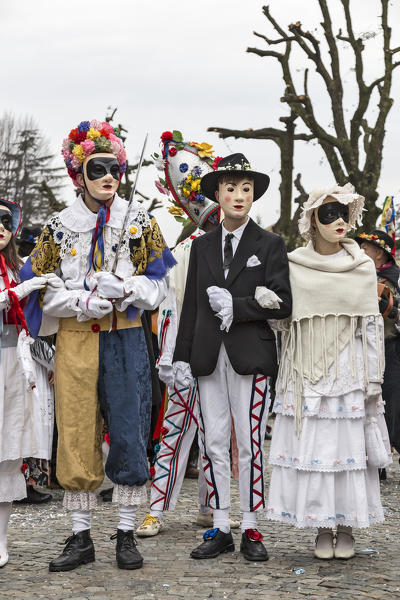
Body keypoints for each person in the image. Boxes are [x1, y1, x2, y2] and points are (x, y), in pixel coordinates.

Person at [20, 119, 175, 571]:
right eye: (97, 169)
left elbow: (159, 284)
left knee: (129, 429)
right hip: (76, 341)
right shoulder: (59, 227)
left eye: (115, 168)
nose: (108, 177)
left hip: (126, 337)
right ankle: (81, 536)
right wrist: (82, 300)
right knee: (76, 433)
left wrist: (127, 289)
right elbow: (40, 288)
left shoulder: (139, 221)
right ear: (79, 174)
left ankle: (126, 533)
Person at [173, 153, 292, 561]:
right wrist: (180, 358)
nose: (238, 195)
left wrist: (239, 306)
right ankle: (221, 524)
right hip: (207, 356)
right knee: (214, 441)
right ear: (218, 195)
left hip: (250, 356)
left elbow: (283, 304)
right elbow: (190, 305)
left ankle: (252, 526)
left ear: (254, 194)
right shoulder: (201, 245)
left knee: (252, 441)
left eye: (245, 188)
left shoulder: (270, 244)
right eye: (230, 188)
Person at [266, 184, 392, 560]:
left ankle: (347, 525)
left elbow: (371, 325)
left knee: (348, 452)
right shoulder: (295, 264)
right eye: (328, 214)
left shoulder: (362, 265)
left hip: (349, 368)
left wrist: (373, 377)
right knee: (317, 449)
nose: (339, 222)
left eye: (343, 214)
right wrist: (271, 307)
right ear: (312, 221)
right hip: (305, 369)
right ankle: (322, 527)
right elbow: (285, 322)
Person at [137, 132, 239, 536]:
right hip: (186, 356)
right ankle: (156, 509)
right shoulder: (182, 253)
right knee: (175, 434)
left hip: (224, 359)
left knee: (218, 435)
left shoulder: (242, 248)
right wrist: (170, 358)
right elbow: (166, 308)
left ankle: (213, 508)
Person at [0, 199, 53, 567]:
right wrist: (21, 290)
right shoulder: (19, 280)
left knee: (8, 454)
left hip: (16, 366)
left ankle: (0, 540)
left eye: (5, 221)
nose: (0, 227)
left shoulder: (17, 268)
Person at [15, 226, 53, 505]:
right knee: (33, 418)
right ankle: (25, 483)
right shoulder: (26, 273)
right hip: (29, 354)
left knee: (39, 419)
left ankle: (30, 481)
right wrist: (55, 360)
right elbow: (28, 324)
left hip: (39, 355)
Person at [356, 229, 400, 467]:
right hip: (364, 349)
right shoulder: (361, 275)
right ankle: (375, 460)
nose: (361, 251)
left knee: (392, 407)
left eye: (366, 248)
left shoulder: (393, 279)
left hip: (390, 349)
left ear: (380, 254)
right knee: (367, 405)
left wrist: (391, 310)